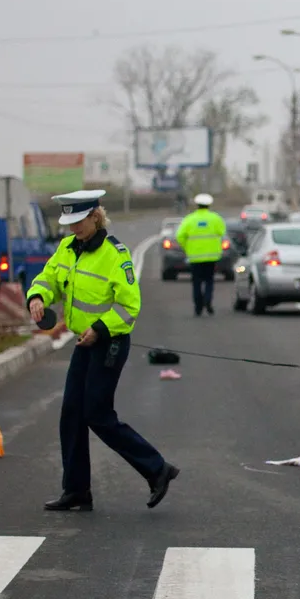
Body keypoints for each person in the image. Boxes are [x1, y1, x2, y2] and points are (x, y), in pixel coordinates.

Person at [26, 189, 179, 511]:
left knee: (97, 414)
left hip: (109, 342)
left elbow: (129, 306)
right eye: (69, 222)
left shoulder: (116, 255)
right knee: (71, 415)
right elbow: (49, 278)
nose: (73, 228)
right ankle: (76, 490)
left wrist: (99, 329)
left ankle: (157, 468)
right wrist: (37, 296)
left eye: (79, 221)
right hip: (84, 342)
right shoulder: (68, 248)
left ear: (95, 216)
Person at [176, 193, 227, 316]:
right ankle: (208, 301)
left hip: (194, 257)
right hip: (212, 256)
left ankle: (198, 307)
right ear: (209, 205)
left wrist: (187, 248)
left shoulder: (189, 219)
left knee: (196, 282)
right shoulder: (216, 218)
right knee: (209, 280)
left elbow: (179, 236)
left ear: (197, 205)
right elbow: (222, 233)